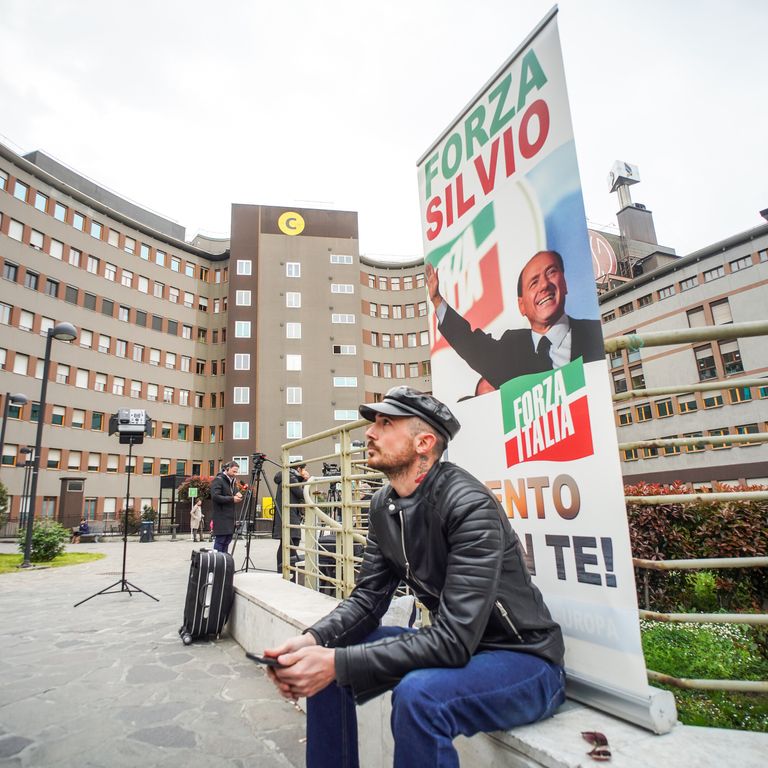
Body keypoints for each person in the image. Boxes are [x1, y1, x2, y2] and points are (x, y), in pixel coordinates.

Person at [264, 386, 565, 768]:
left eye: (385, 423)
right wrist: (313, 640)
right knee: (324, 656)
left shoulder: (468, 505)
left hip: (524, 660)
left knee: (418, 696)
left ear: (423, 443)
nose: (370, 432)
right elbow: (367, 601)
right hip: (460, 649)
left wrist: (338, 662)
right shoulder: (384, 505)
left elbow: (453, 641)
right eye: (374, 423)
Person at [425, 250, 603, 389]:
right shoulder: (512, 347)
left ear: (564, 283)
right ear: (521, 306)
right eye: (533, 283)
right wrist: (437, 300)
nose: (543, 285)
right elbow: (472, 346)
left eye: (551, 272)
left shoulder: (594, 334)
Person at [272, 463, 309, 574]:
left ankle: (282, 570)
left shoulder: (286, 476)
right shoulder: (291, 477)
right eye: (304, 470)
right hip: (290, 516)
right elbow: (301, 493)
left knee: (285, 543)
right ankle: (288, 571)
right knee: (293, 541)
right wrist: (305, 480)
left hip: (286, 515)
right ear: (299, 469)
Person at [210, 461, 243, 553]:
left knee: (227, 541)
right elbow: (215, 497)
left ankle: (223, 562)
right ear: (227, 469)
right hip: (221, 517)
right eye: (234, 471)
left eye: (236, 472)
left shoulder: (232, 481)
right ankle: (217, 563)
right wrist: (232, 499)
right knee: (220, 541)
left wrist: (238, 494)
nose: (235, 474)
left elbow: (234, 492)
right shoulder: (218, 480)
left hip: (230, 517)